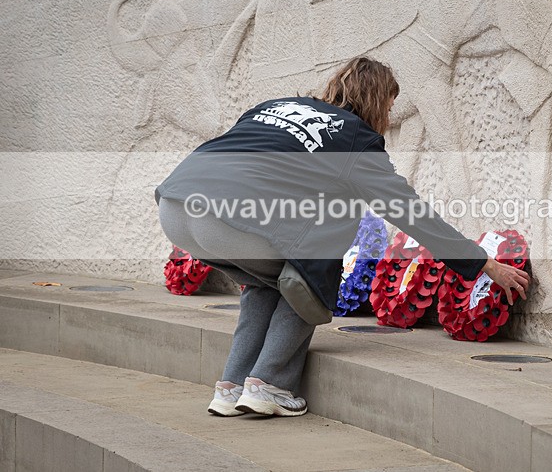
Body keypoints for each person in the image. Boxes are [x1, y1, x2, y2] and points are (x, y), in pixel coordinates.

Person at [155, 56, 530, 418]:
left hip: (176, 206)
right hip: (227, 218)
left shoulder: (278, 105)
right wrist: (482, 261)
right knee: (310, 273)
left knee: (271, 281)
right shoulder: (354, 139)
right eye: (389, 107)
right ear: (377, 101)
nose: (388, 118)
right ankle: (268, 385)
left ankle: (231, 387)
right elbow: (410, 213)